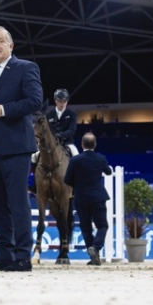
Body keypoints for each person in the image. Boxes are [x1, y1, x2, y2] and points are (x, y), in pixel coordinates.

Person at [0, 26, 43, 272]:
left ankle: (23, 257)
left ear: (11, 45)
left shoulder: (26, 68)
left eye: (1, 41)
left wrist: (2, 110)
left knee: (18, 202)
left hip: (16, 147)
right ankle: (4, 254)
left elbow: (35, 101)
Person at [63, 132, 112, 266]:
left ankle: (93, 256)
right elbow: (109, 172)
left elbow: (67, 180)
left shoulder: (75, 160)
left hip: (81, 197)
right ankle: (95, 248)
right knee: (102, 225)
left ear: (82, 144)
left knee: (85, 228)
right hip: (97, 196)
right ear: (95, 144)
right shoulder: (100, 158)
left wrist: (78, 184)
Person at [46, 88, 79, 156]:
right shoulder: (49, 115)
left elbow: (72, 130)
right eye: (60, 101)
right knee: (35, 156)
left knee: (76, 154)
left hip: (67, 142)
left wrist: (61, 135)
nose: (62, 104)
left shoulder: (71, 113)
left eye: (64, 101)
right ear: (56, 101)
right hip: (52, 142)